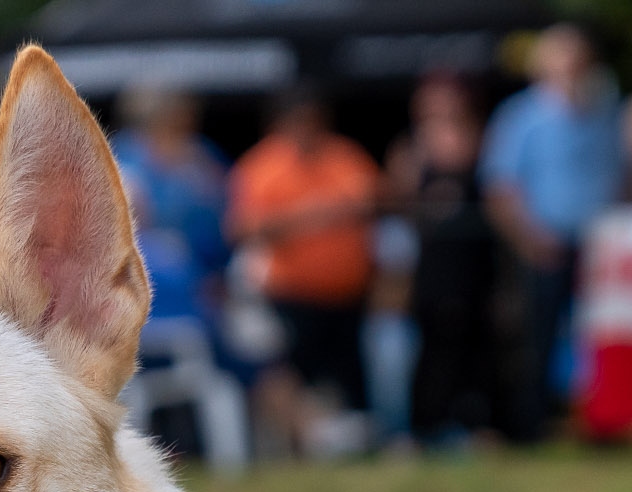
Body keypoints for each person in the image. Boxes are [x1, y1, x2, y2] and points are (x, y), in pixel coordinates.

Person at [483, 24, 623, 443]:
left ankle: (600, 424)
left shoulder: (602, 113)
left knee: (599, 343)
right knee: (538, 341)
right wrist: (530, 240)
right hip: (544, 246)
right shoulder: (521, 116)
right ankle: (532, 426)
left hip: (599, 249)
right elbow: (501, 189)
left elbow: (618, 176)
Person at [228, 87, 380, 454]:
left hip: (348, 294)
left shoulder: (345, 157)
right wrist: (308, 216)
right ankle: (304, 448)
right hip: (291, 296)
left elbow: (370, 202)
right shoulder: (261, 167)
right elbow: (243, 228)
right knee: (297, 379)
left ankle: (358, 446)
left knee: (351, 378)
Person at [397, 75, 497, 447]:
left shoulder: (482, 143)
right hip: (431, 271)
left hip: (474, 268)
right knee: (432, 353)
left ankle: (478, 425)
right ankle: (425, 428)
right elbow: (400, 206)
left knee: (477, 349)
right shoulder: (411, 153)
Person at [113, 87, 230, 339]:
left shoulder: (203, 157)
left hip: (204, 277)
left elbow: (223, 218)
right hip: (147, 276)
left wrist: (219, 274)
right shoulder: (124, 155)